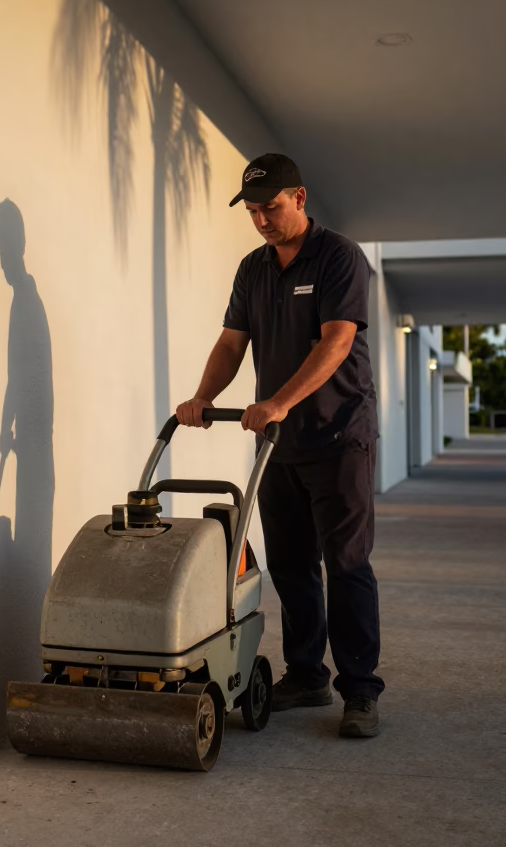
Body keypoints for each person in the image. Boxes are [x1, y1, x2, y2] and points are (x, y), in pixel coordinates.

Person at [175, 153, 384, 738]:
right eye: (253, 211)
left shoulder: (340, 257)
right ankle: (308, 675)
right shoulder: (253, 269)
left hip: (340, 437)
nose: (262, 220)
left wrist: (278, 402)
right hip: (280, 443)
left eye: (271, 207)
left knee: (346, 566)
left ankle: (361, 691)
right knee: (291, 566)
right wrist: (201, 397)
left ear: (300, 197)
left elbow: (337, 343)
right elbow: (231, 343)